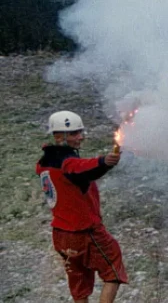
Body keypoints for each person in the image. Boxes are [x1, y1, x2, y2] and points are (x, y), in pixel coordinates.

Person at [37, 111, 127, 303]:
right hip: (84, 232)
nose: (80, 137)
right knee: (113, 270)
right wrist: (104, 162)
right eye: (74, 133)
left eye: (80, 132)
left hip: (61, 235)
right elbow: (80, 168)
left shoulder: (43, 163)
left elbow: (77, 169)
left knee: (79, 285)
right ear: (58, 136)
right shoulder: (66, 163)